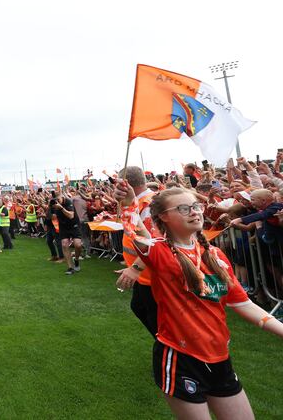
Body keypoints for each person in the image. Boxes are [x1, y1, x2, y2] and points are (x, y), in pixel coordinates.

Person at [116, 184, 283, 419]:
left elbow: (243, 304)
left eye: (196, 206)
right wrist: (128, 201)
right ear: (164, 217)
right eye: (184, 208)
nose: (194, 212)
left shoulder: (216, 256)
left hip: (219, 358)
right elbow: (134, 228)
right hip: (181, 359)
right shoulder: (159, 251)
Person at [114, 166, 158, 337]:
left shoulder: (148, 205)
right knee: (139, 306)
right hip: (143, 272)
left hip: (151, 275)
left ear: (126, 184)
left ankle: (171, 352)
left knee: (156, 317)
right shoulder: (140, 202)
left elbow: (155, 242)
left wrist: (135, 268)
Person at [53, 196, 83, 275]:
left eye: (58, 199)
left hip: (74, 225)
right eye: (56, 200)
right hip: (63, 227)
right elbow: (51, 216)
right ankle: (70, 267)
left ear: (62, 197)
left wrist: (61, 208)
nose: (57, 201)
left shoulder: (68, 202)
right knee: (64, 244)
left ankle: (76, 259)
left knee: (78, 245)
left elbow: (71, 216)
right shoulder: (53, 204)